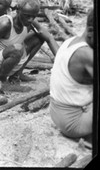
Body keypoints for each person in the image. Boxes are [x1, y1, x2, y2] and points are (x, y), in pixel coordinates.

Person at [0, 0, 59, 93]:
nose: (30, 20)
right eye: (27, 16)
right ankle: (2, 81)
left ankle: (17, 74)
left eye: (33, 16)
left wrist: (63, 61)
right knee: (17, 49)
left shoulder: (29, 21)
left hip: (10, 58)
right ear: (17, 10)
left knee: (39, 38)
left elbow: (48, 37)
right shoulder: (5, 23)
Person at [49, 9, 94, 142]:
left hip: (57, 113)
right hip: (74, 123)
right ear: (91, 31)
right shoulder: (86, 54)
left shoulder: (72, 41)